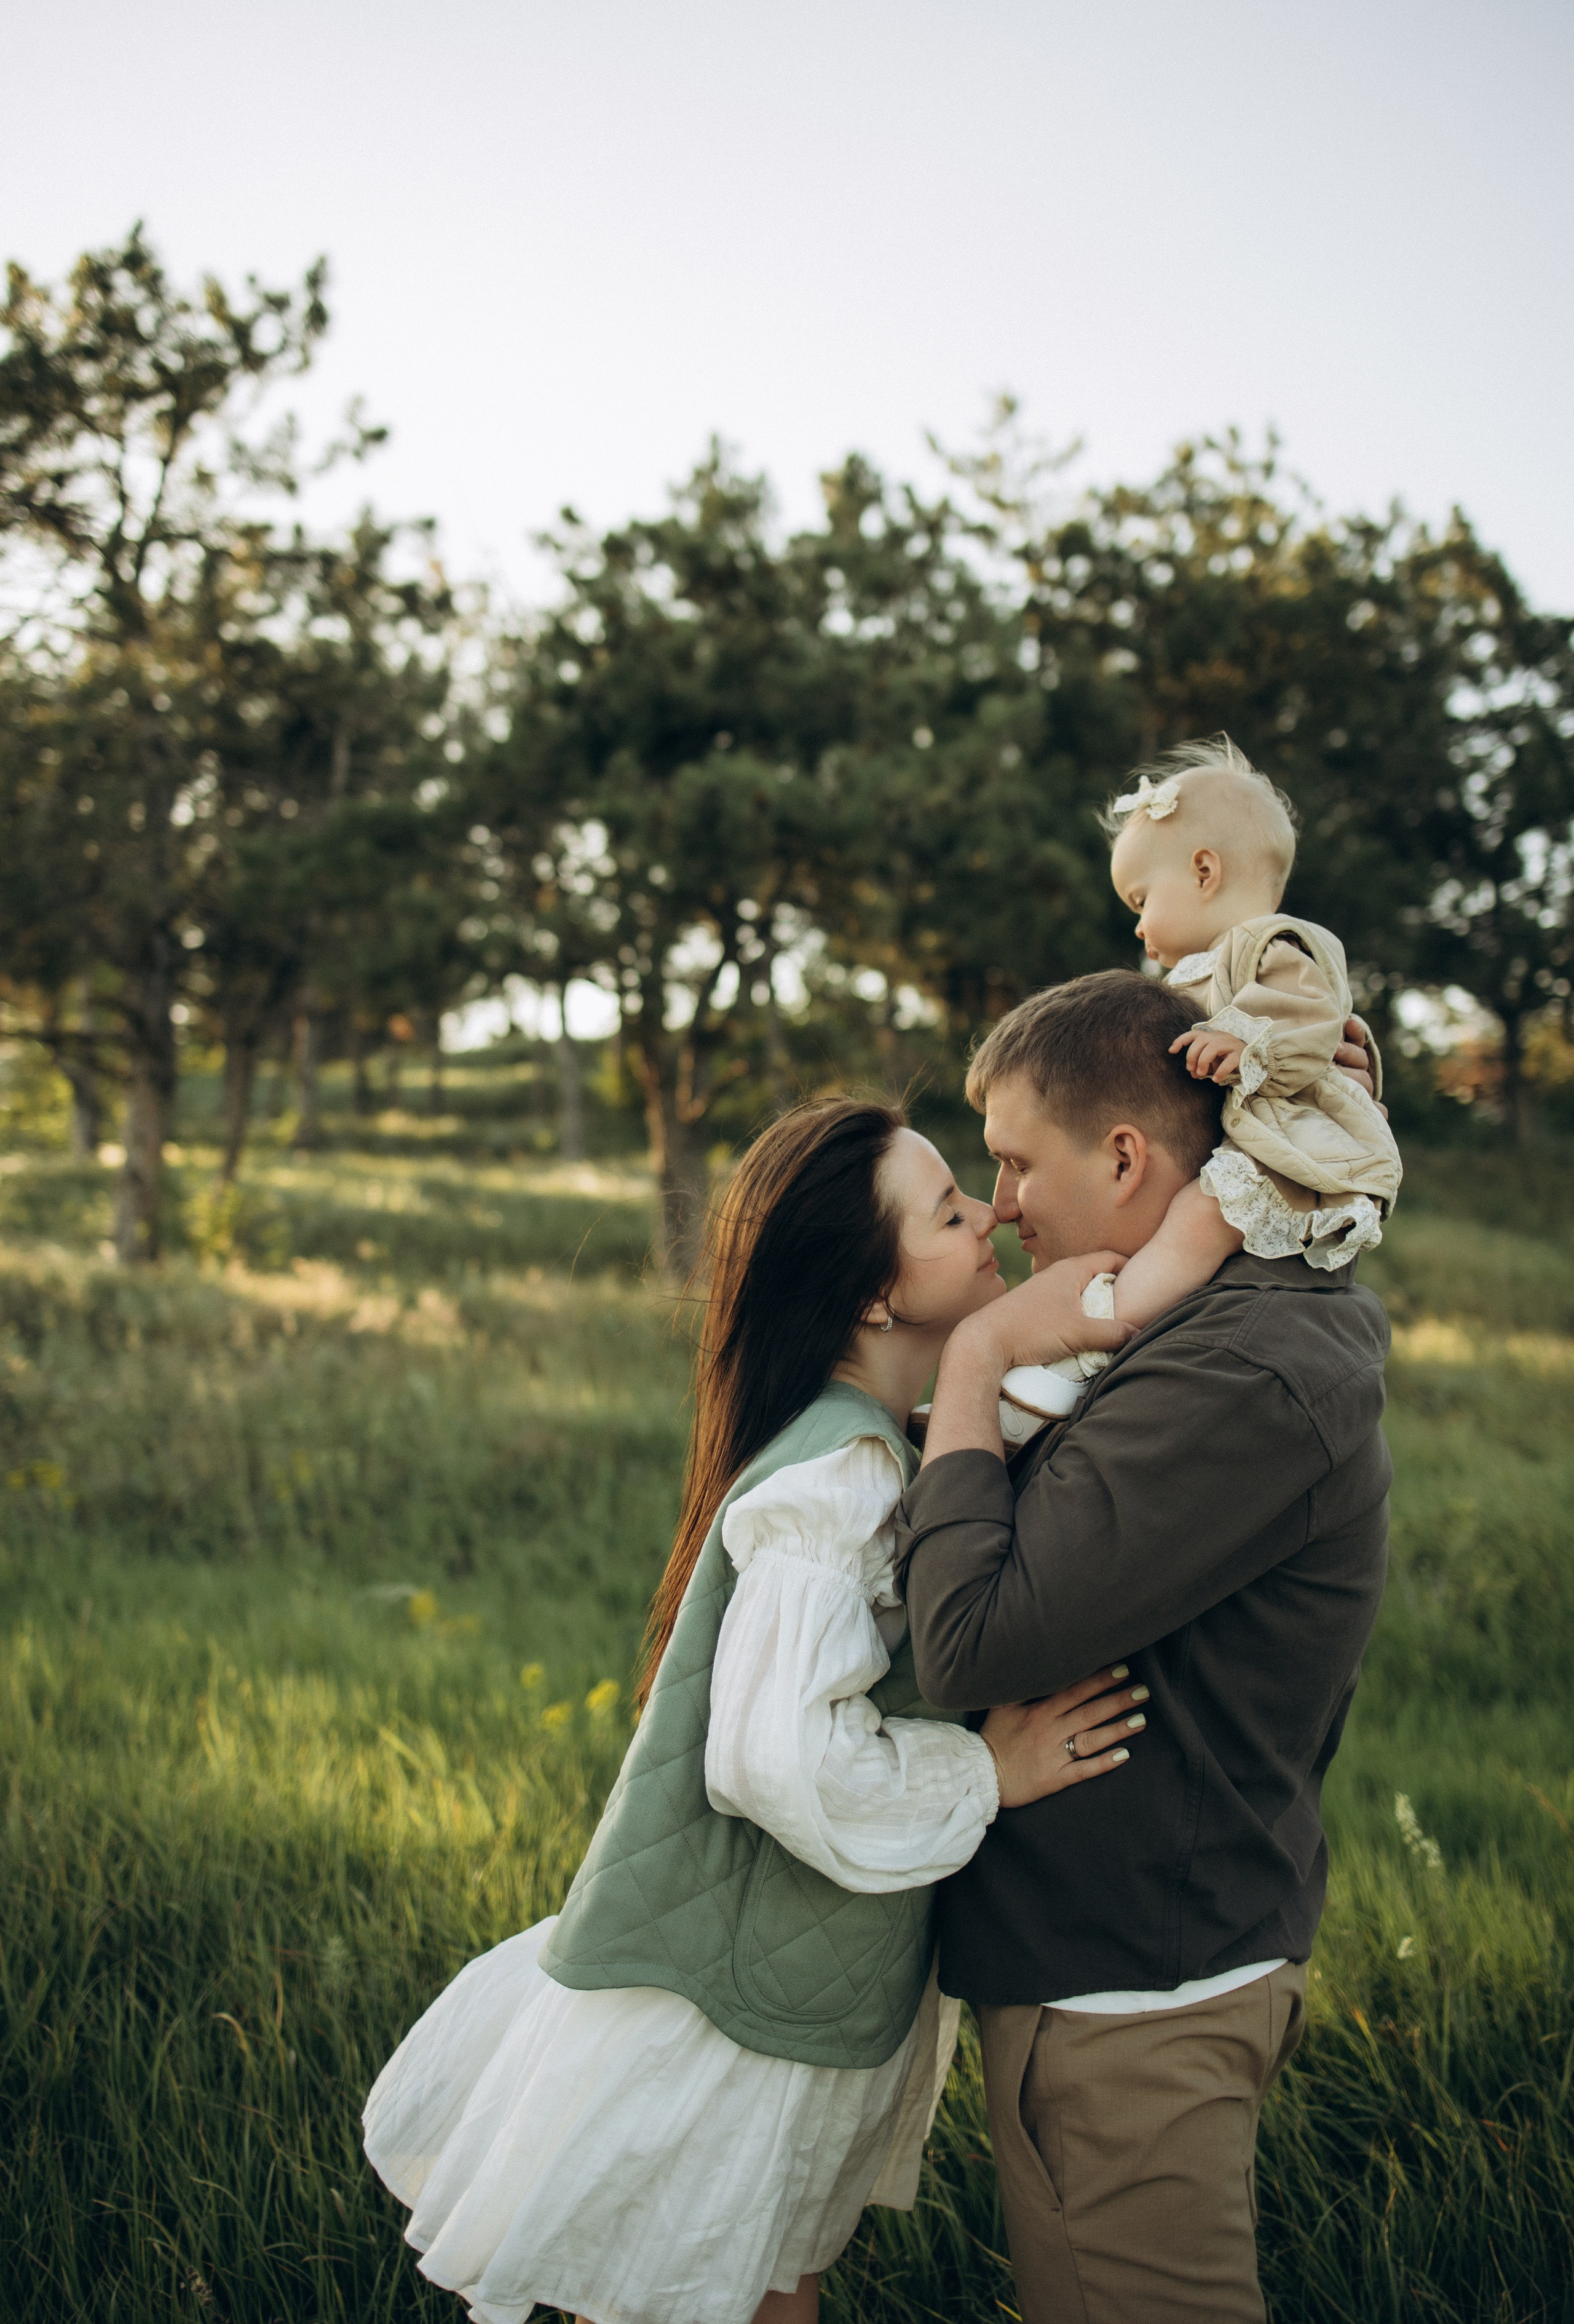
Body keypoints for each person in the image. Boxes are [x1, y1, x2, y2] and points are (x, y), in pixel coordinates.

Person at [363, 1097, 1148, 2324]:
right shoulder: (834, 1474)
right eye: (949, 1212)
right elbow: (776, 1756)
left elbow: (1060, 1390)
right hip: (729, 2007)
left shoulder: (892, 1437)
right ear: (873, 1293)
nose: (991, 1213)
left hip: (789, 1983)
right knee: (712, 2293)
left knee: (765, 2286)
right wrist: (981, 1776)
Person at [896, 970, 1393, 2324]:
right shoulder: (1203, 1314)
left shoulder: (1234, 1372)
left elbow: (967, 1637)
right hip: (1132, 1955)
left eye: (1011, 1164)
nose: (1000, 1207)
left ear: (1123, 1158)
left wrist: (971, 1358)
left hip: (1132, 1994)